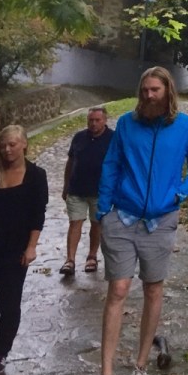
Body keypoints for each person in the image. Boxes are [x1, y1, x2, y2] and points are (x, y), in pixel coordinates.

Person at [97, 67, 188, 375]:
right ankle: (106, 372)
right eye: (144, 90)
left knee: (153, 290)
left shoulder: (187, 127)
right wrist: (103, 210)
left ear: (168, 91)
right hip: (122, 216)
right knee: (118, 289)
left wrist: (181, 193)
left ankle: (140, 365)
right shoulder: (127, 125)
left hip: (160, 221)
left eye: (155, 90)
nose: (148, 95)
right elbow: (111, 165)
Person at [0, 125, 49, 375]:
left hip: (14, 252)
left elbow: (38, 214)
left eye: (12, 144)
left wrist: (31, 246)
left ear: (24, 143)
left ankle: (1, 353)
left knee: (9, 306)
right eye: (3, 145)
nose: (7, 149)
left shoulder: (36, 175)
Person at [60, 106, 114, 276]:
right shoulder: (79, 137)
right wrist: (66, 185)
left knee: (96, 224)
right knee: (75, 222)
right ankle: (70, 260)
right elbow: (70, 161)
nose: (93, 123)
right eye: (91, 120)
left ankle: (92, 256)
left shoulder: (113, 139)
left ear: (105, 120)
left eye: (97, 120)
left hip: (100, 191)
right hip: (77, 188)